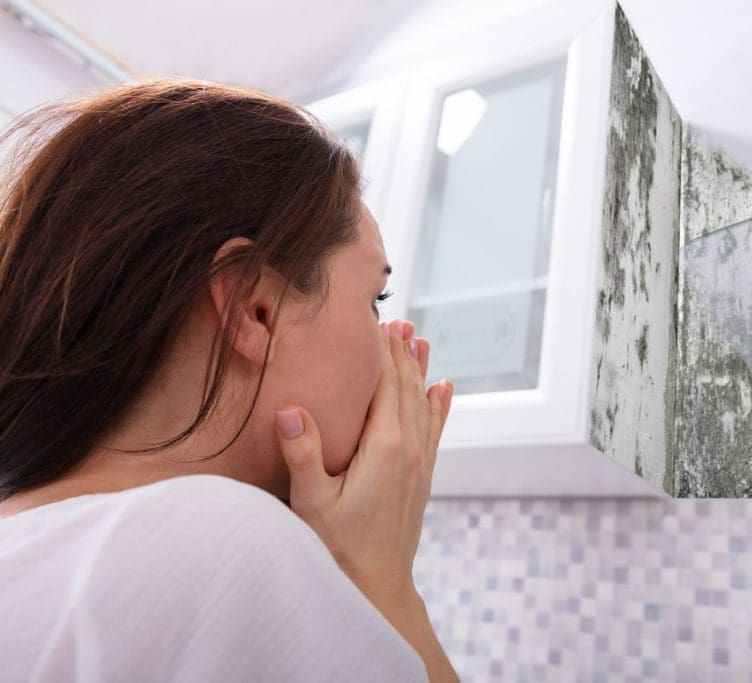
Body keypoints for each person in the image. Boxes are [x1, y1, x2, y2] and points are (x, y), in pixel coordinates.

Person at [0, 78, 460, 682]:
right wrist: (385, 583)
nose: (393, 346)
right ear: (253, 307)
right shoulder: (219, 539)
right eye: (376, 298)